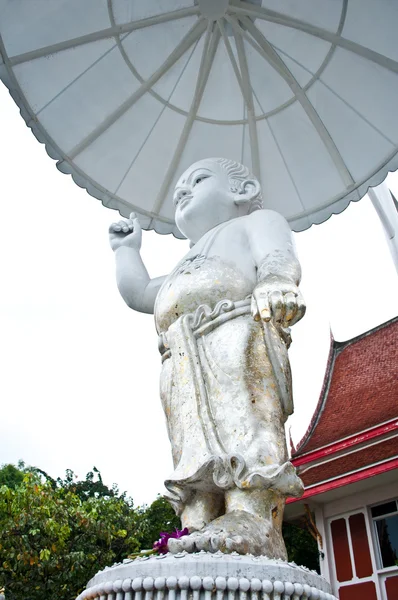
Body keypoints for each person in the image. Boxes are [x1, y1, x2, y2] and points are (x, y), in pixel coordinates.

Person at [109, 158, 305, 558]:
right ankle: (197, 517)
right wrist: (125, 251)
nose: (182, 190)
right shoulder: (186, 260)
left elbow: (278, 256)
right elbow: (142, 293)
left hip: (236, 336)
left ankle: (251, 516)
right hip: (180, 356)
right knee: (190, 439)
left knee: (245, 425)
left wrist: (275, 282)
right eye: (180, 186)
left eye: (197, 180)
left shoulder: (256, 222)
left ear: (242, 190)